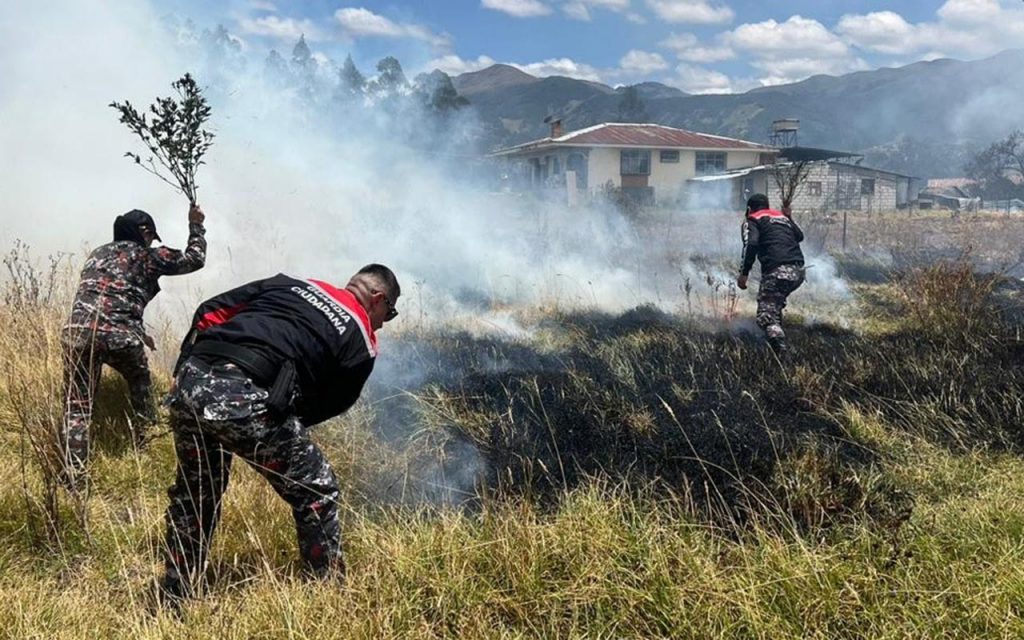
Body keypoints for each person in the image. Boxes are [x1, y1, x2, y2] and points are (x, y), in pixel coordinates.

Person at [159, 264, 400, 602]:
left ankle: (175, 595)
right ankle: (327, 598)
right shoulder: (361, 336)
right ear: (378, 299)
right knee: (317, 489)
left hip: (189, 382)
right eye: (389, 314)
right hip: (244, 393)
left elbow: (210, 310)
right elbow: (329, 403)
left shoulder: (289, 283)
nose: (383, 324)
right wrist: (273, 426)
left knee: (197, 492)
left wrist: (181, 368)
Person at [61, 205, 206, 482]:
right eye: (151, 237)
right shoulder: (147, 256)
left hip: (77, 334)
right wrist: (196, 225)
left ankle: (73, 479)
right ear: (144, 232)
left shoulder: (97, 254)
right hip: (120, 337)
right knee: (141, 384)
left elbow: (109, 297)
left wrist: (139, 330)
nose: (152, 242)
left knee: (77, 407)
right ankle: (148, 449)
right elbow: (195, 259)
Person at [736, 193, 805, 353]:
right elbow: (799, 236)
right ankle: (776, 337)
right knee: (774, 304)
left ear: (749, 209)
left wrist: (744, 273)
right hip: (799, 271)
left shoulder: (753, 219)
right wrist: (789, 217)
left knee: (765, 316)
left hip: (778, 271)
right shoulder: (782, 217)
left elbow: (751, 244)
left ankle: (781, 352)